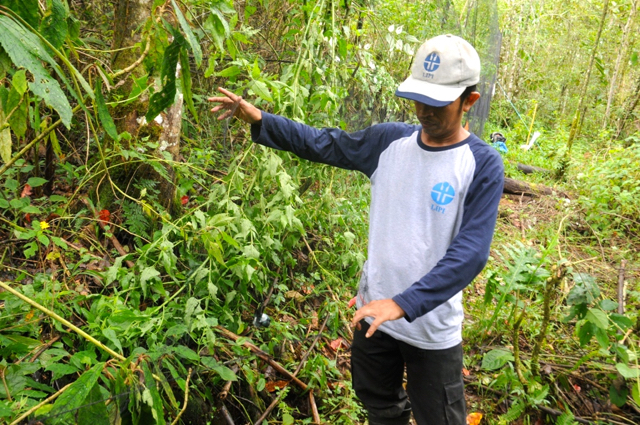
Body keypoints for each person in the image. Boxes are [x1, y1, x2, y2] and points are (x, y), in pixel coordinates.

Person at [209, 34, 504, 425]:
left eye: (438, 103)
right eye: (420, 99)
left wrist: (403, 304)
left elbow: (471, 252)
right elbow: (326, 144)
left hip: (430, 328)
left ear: (470, 101)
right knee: (377, 401)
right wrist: (263, 120)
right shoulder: (390, 141)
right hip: (373, 312)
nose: (425, 111)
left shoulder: (481, 164)